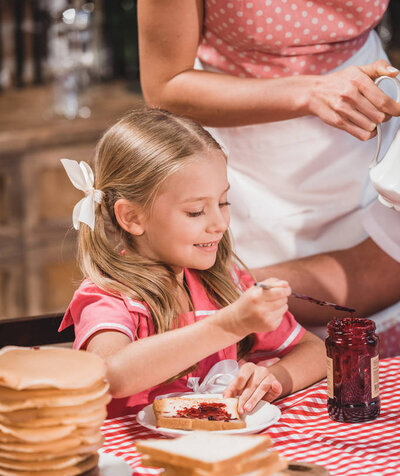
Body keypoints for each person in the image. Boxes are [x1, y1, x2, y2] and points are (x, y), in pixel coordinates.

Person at [137, 0, 400, 341]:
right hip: (241, 150)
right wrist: (309, 90)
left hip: (368, 132)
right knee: (246, 328)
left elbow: (377, 271)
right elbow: (165, 86)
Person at [59, 108, 325, 418]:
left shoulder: (224, 284)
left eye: (222, 202)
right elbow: (113, 375)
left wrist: (273, 380)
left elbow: (316, 351)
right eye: (196, 211)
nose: (219, 223)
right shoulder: (108, 296)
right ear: (132, 217)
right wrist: (229, 325)